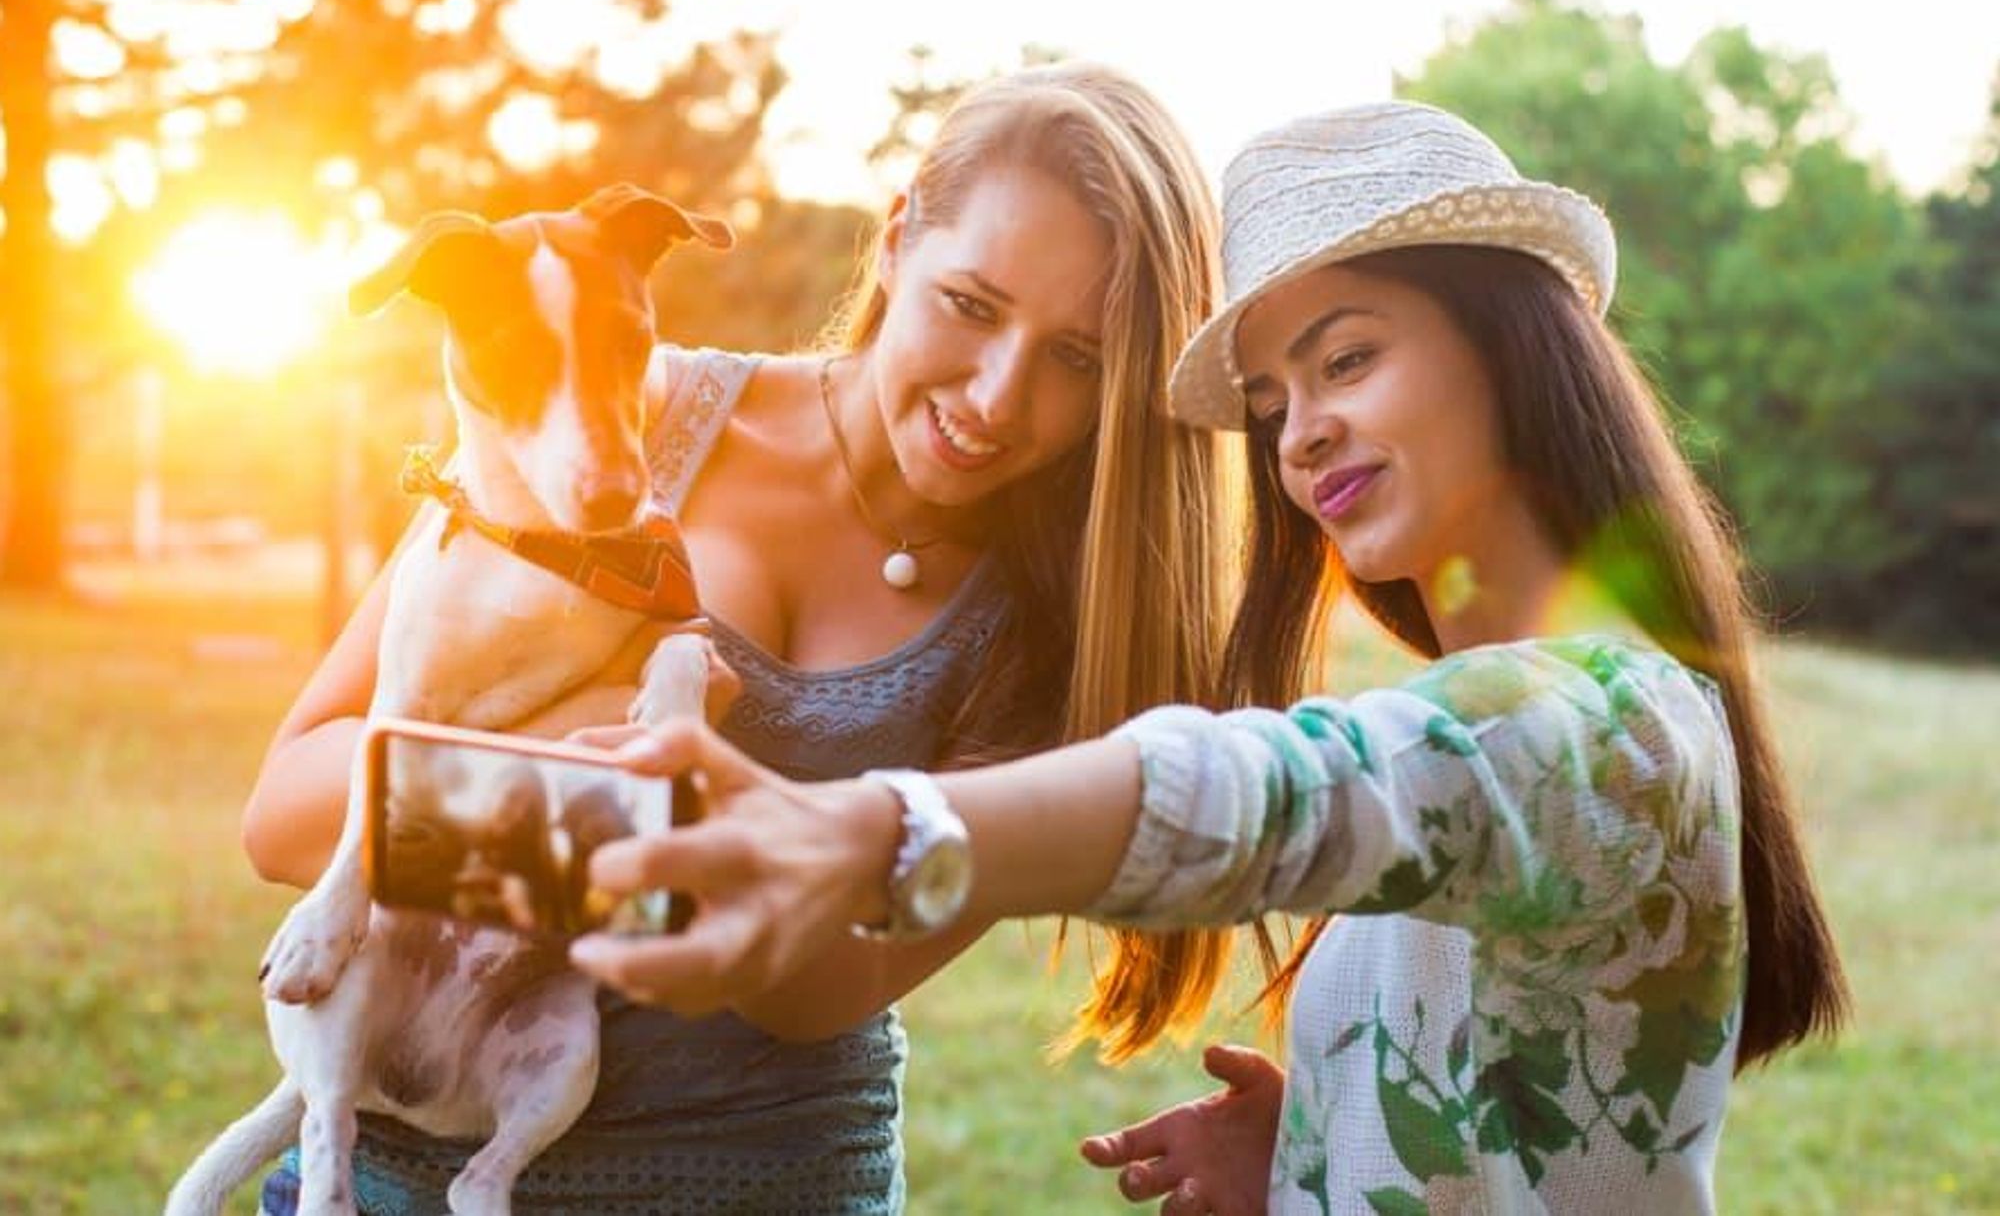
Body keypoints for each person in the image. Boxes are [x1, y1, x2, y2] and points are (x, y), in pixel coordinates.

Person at [566, 102, 1850, 1214]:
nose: (1300, 434)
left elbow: (1276, 792)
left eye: (1346, 356)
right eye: (1271, 401)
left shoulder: (1611, 721)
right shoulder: (1502, 712)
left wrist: (868, 833)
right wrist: (1313, 1153)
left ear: (1511, 345)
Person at [236, 61, 1233, 1212]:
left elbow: (815, 991)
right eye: (971, 304)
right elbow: (287, 814)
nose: (998, 397)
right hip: (398, 1179)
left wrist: (622, 797)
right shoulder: (615, 426)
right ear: (898, 237)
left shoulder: (1052, 624)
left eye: (1076, 356)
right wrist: (630, 765)